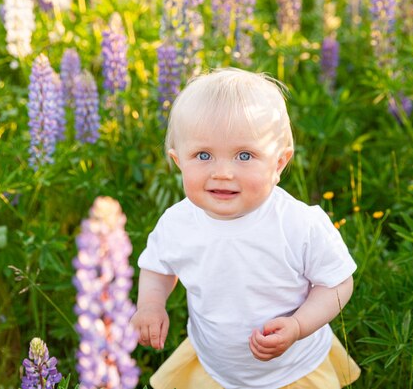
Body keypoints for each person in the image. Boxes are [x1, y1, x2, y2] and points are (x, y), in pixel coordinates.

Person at [132, 68, 360, 389]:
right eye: (203, 155)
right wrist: (151, 305)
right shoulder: (177, 223)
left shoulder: (298, 223)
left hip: (292, 369)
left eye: (244, 155)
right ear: (178, 160)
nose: (223, 172)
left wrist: (298, 325)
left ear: (278, 163)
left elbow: (337, 283)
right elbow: (157, 267)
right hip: (215, 367)